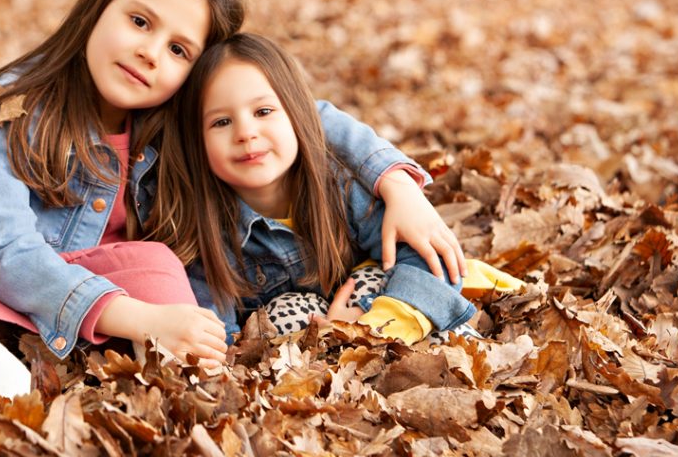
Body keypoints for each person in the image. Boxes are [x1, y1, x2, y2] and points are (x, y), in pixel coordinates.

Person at [0, 0, 472, 401]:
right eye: (140, 22)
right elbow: (8, 254)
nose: (149, 53)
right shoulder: (14, 109)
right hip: (10, 289)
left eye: (178, 50)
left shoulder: (177, 119)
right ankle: (9, 396)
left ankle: (114, 386)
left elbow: (300, 114)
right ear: (99, 4)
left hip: (135, 296)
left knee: (166, 274)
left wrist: (397, 184)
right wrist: (144, 320)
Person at [150, 33, 522, 345]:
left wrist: (364, 331)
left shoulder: (341, 186)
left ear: (298, 115)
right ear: (197, 143)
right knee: (282, 316)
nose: (246, 133)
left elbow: (430, 259)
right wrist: (320, 340)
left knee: (382, 282)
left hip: (373, 311)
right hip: (298, 343)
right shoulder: (202, 232)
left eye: (263, 112)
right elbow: (217, 338)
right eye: (222, 122)